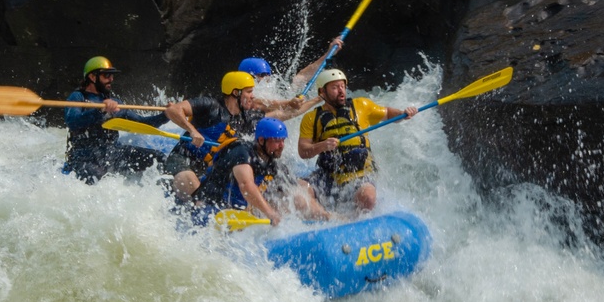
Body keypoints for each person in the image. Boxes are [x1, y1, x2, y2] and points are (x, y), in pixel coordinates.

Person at [163, 71, 313, 201]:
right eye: (249, 92)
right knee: (194, 190)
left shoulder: (248, 118)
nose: (252, 96)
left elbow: (286, 113)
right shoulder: (210, 106)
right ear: (236, 92)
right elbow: (173, 110)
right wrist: (192, 131)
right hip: (183, 160)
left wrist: (318, 100)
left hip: (210, 170)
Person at [297, 68, 418, 212]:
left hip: (359, 174)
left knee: (368, 198)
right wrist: (322, 146)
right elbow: (303, 151)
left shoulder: (362, 105)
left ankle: (354, 218)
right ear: (322, 92)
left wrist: (403, 113)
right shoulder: (311, 118)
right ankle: (327, 217)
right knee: (299, 190)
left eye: (342, 86)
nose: (341, 91)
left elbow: (388, 113)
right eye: (335, 87)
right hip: (328, 175)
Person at [195, 117, 329, 226]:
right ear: (261, 140)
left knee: (288, 204)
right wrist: (270, 214)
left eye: (283, 141)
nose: (281, 146)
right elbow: (246, 186)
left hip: (236, 213)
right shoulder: (242, 152)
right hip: (208, 209)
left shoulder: (274, 165)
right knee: (269, 210)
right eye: (276, 141)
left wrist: (326, 216)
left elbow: (297, 194)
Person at [64, 56, 168, 184]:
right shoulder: (78, 97)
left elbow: (142, 124)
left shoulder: (115, 103)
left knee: (159, 158)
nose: (111, 79)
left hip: (113, 153)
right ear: (92, 77)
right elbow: (72, 122)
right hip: (85, 157)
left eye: (112, 75)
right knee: (97, 176)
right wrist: (100, 110)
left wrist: (166, 115)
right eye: (106, 75)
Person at [237, 36, 345, 113]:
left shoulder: (275, 90)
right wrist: (291, 103)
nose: (267, 78)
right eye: (262, 75)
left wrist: (328, 54)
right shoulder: (247, 99)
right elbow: (269, 105)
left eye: (267, 74)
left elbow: (302, 76)